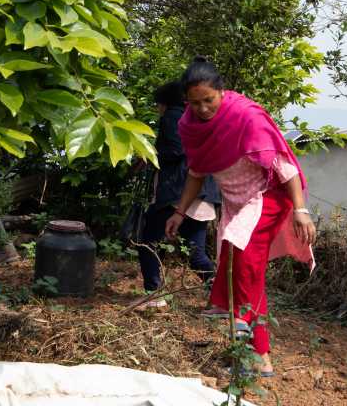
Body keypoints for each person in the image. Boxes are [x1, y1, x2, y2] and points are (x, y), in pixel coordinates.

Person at [165, 57, 316, 377]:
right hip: (234, 205)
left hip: (266, 199)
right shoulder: (189, 126)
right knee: (242, 271)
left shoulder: (245, 116)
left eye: (209, 100)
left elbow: (284, 167)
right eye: (195, 103)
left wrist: (301, 211)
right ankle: (253, 354)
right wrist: (180, 212)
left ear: (221, 91)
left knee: (243, 263)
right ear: (186, 102)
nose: (203, 108)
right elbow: (196, 173)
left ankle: (251, 353)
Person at [134, 81, 221, 310]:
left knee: (148, 243)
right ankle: (225, 298)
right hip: (202, 193)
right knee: (196, 253)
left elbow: (175, 150)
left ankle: (153, 295)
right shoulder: (196, 118)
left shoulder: (173, 116)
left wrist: (149, 153)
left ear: (164, 102)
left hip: (176, 193)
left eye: (158, 105)